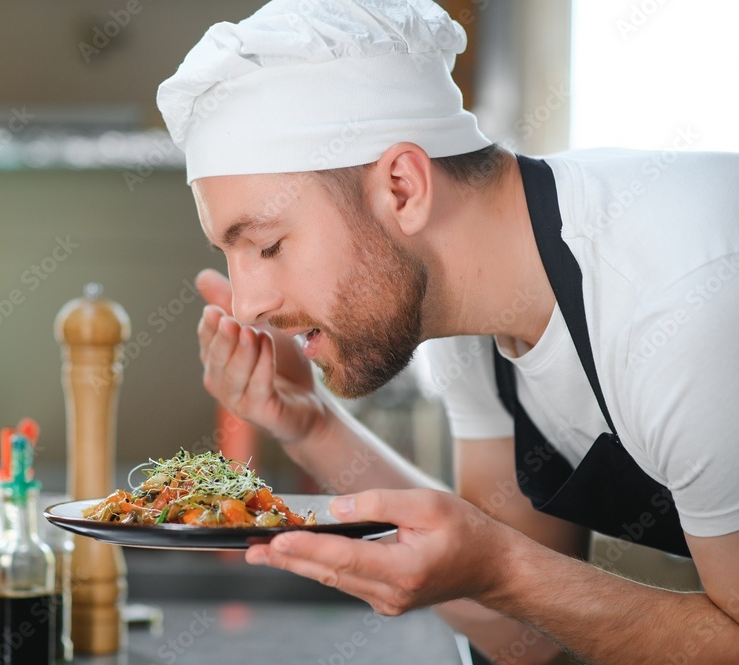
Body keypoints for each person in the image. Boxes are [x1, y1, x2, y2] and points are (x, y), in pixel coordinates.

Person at [156, 0, 739, 663]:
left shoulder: (679, 299)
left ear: (403, 187)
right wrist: (310, 425)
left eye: (267, 244)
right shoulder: (468, 316)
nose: (248, 306)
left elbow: (514, 578)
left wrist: (503, 569)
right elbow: (524, 637)